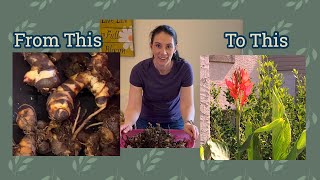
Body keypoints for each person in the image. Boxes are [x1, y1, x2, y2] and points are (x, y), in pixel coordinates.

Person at [120, 25, 199, 140]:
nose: (163, 52)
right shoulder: (139, 70)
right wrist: (128, 122)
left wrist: (188, 122)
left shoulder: (185, 69)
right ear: (151, 46)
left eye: (168, 47)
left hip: (175, 122)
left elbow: (188, 104)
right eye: (158, 46)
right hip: (146, 121)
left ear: (175, 48)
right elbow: (134, 106)